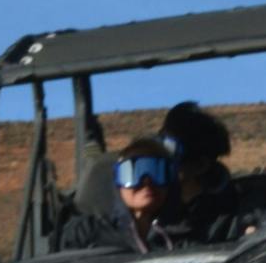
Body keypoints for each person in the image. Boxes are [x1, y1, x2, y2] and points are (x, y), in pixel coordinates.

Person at [57, 136, 210, 253]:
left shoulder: (189, 236)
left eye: (157, 171)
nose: (147, 182)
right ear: (118, 182)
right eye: (134, 173)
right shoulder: (85, 233)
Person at [161, 101, 241, 241]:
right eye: (159, 143)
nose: (160, 157)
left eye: (170, 149)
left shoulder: (231, 219)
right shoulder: (150, 205)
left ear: (201, 165)